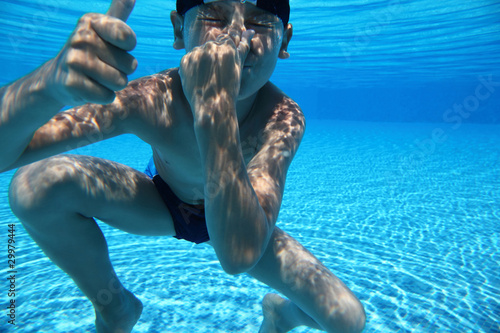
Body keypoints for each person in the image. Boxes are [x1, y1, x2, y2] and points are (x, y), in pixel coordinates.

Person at [0, 0, 366, 332]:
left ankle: (280, 316)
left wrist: (214, 107)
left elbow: (239, 254)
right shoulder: (150, 99)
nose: (237, 37)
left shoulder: (282, 118)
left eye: (260, 22)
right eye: (213, 15)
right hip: (159, 202)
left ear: (284, 41)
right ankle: (115, 307)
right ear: (179, 30)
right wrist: (48, 86)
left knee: (348, 320)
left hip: (245, 219)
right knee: (33, 186)